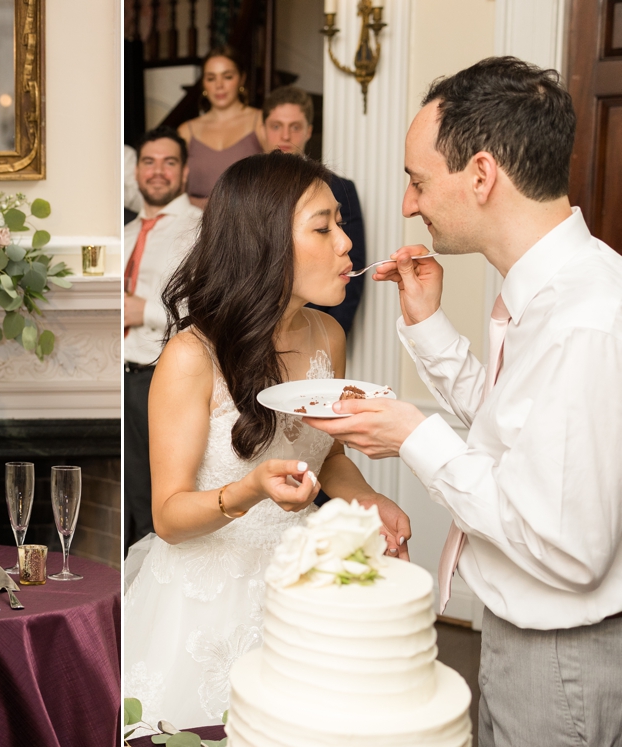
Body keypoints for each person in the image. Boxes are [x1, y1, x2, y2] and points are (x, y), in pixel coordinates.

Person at [307, 57, 622, 747]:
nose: (407, 205)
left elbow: (570, 547)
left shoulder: (585, 316)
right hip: (529, 641)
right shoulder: (558, 291)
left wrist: (413, 435)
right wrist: (427, 325)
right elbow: (522, 438)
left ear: (481, 175)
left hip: (561, 659)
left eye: (418, 181)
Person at [122, 152, 411, 728]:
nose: (346, 243)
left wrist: (367, 500)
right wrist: (250, 488)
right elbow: (170, 517)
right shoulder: (191, 356)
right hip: (204, 597)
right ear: (267, 241)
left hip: (299, 584)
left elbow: (326, 453)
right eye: (324, 227)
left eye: (340, 224)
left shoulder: (327, 334)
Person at [124, 127, 202, 553]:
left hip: (161, 378)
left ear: (186, 171)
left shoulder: (199, 229)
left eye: (169, 162)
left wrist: (145, 312)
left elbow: (211, 308)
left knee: (158, 504)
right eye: (148, 162)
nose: (157, 171)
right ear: (136, 170)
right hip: (119, 377)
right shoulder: (124, 233)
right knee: (128, 501)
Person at [263, 86, 366, 337]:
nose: (285, 135)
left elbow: (353, 263)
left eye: (295, 127)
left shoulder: (339, 188)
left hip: (314, 327)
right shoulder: (245, 191)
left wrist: (331, 338)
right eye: (276, 126)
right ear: (264, 128)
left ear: (309, 130)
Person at [177, 46, 267, 208]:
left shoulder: (261, 121)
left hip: (249, 225)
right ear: (203, 84)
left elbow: (280, 180)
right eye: (211, 78)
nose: (219, 85)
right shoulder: (186, 131)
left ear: (241, 79)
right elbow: (175, 190)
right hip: (194, 226)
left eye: (227, 77)